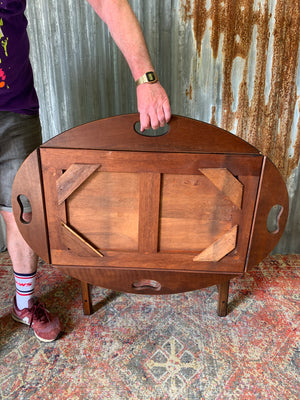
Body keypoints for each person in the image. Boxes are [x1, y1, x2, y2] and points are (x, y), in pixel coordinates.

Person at [0, 0, 171, 342]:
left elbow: (109, 4)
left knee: (21, 209)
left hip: (14, 108)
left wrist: (146, 78)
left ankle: (24, 304)